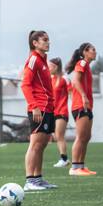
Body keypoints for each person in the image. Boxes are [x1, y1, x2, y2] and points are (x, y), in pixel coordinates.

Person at [20, 31, 57, 191]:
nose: (48, 42)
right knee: (35, 144)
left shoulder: (43, 60)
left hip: (47, 108)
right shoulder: (34, 59)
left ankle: (38, 178)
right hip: (39, 108)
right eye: (45, 40)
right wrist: (34, 106)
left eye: (48, 40)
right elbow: (25, 84)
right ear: (35, 43)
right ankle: (30, 181)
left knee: (42, 145)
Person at [67, 42, 97, 176]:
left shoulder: (87, 66)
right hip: (80, 105)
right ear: (85, 52)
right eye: (92, 50)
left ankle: (81, 166)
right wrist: (84, 96)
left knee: (86, 137)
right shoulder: (82, 63)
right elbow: (75, 81)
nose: (95, 52)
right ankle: (74, 168)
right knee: (80, 137)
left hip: (87, 106)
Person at [49, 57, 70, 167]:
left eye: (50, 66)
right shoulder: (51, 79)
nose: (48, 68)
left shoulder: (64, 79)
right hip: (53, 112)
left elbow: (72, 92)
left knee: (59, 135)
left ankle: (64, 159)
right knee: (56, 136)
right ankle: (64, 159)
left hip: (62, 111)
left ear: (56, 67)